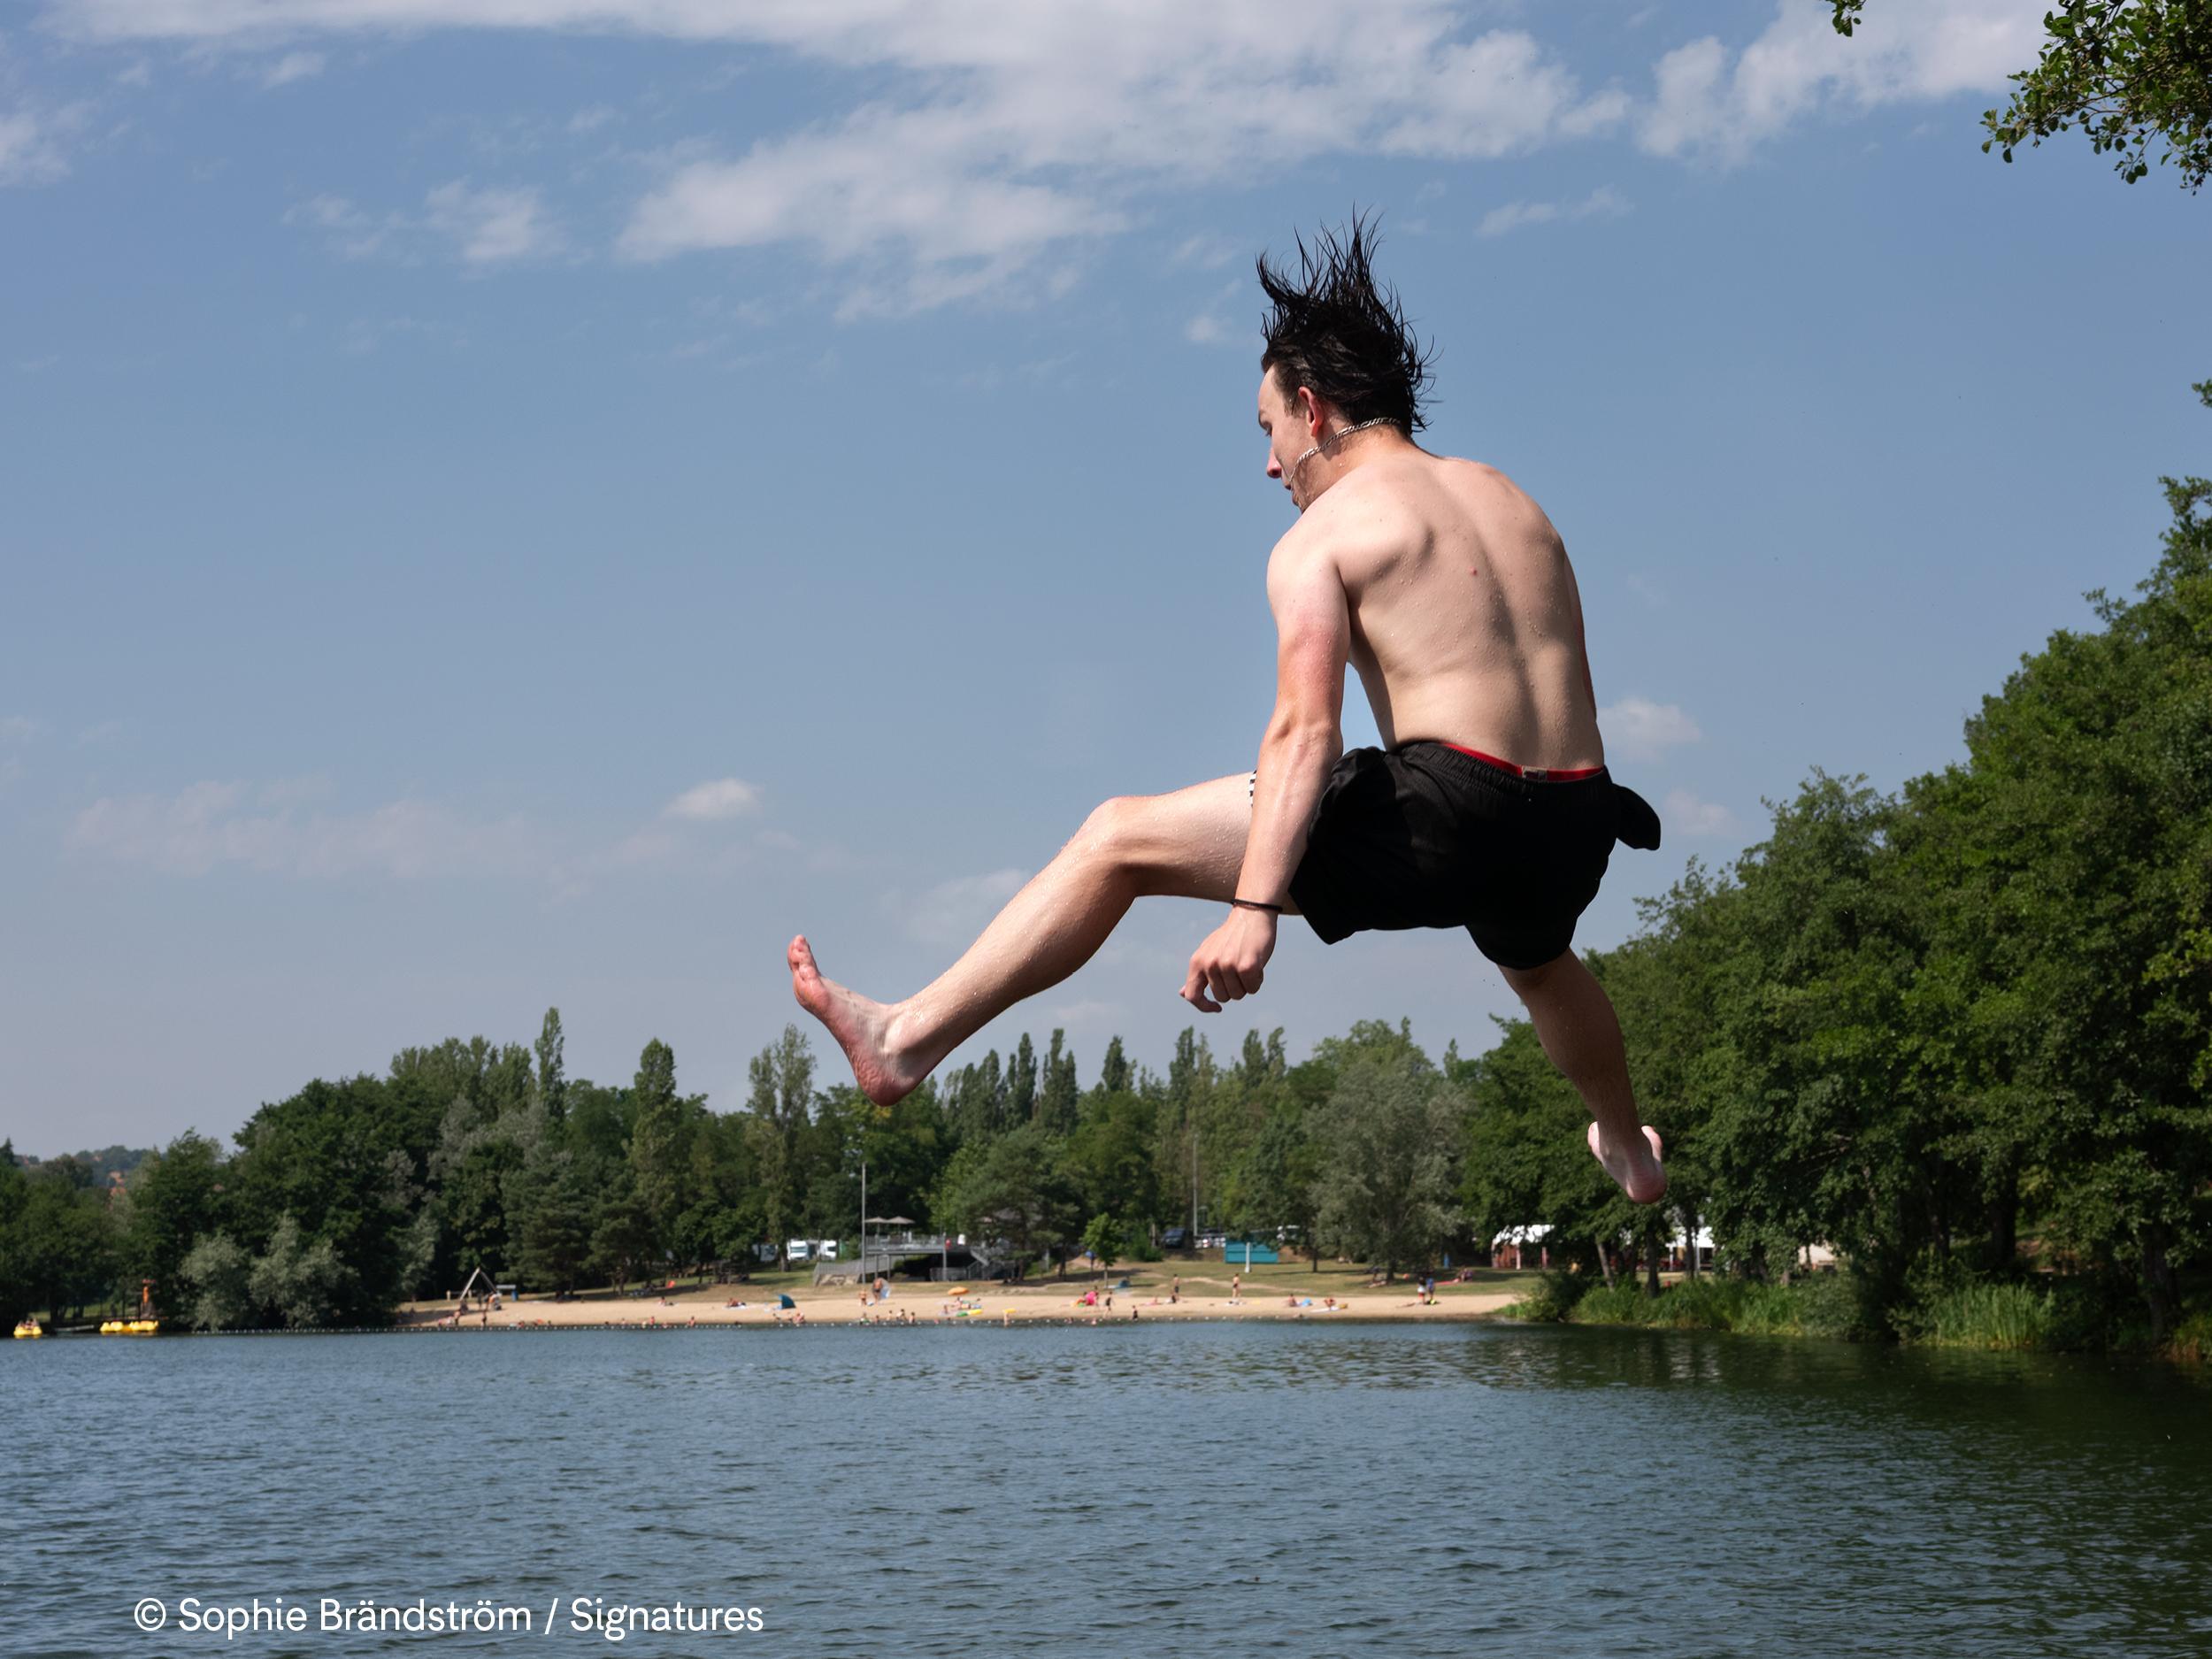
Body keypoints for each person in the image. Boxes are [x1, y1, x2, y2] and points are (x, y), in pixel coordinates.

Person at [786, 216, 1667, 1206]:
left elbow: (1305, 730)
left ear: (1311, 408)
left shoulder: (1327, 533)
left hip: (1452, 806)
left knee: (1116, 838)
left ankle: (904, 1040)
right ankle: (1628, 1147)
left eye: (1269, 434)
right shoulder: (1509, 498)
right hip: (1580, 814)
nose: (1269, 465)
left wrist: (1254, 909)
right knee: (1541, 966)